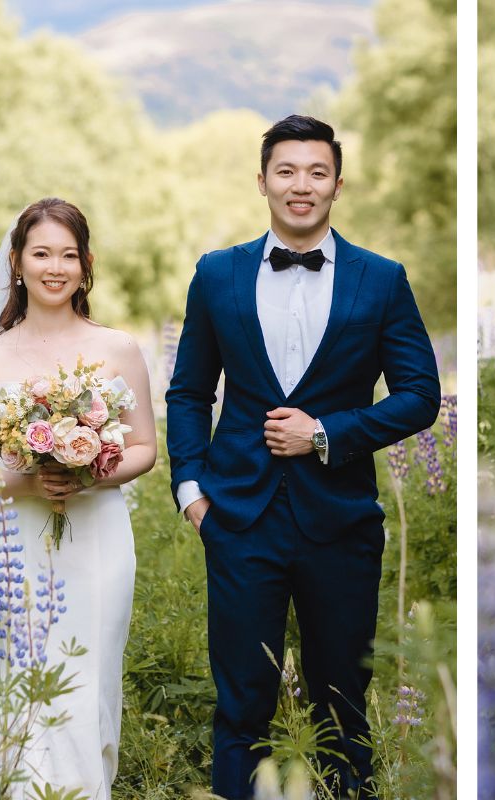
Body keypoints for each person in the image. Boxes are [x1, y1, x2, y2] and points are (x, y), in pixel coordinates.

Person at [165, 115, 440, 800]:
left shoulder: (381, 280)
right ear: (262, 181)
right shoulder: (216, 274)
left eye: (317, 172)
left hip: (341, 521)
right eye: (286, 171)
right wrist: (191, 492)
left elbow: (420, 396)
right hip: (237, 515)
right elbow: (188, 391)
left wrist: (326, 433)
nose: (301, 185)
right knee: (241, 703)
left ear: (338, 184)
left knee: (342, 702)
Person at [0, 197, 157, 797]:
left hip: (102, 533)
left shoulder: (119, 349)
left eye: (68, 255)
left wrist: (92, 471)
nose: (54, 267)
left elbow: (143, 449)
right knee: (30, 674)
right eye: (41, 254)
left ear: (86, 265)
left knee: (92, 674)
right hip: (22, 540)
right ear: (17, 262)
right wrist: (30, 481)